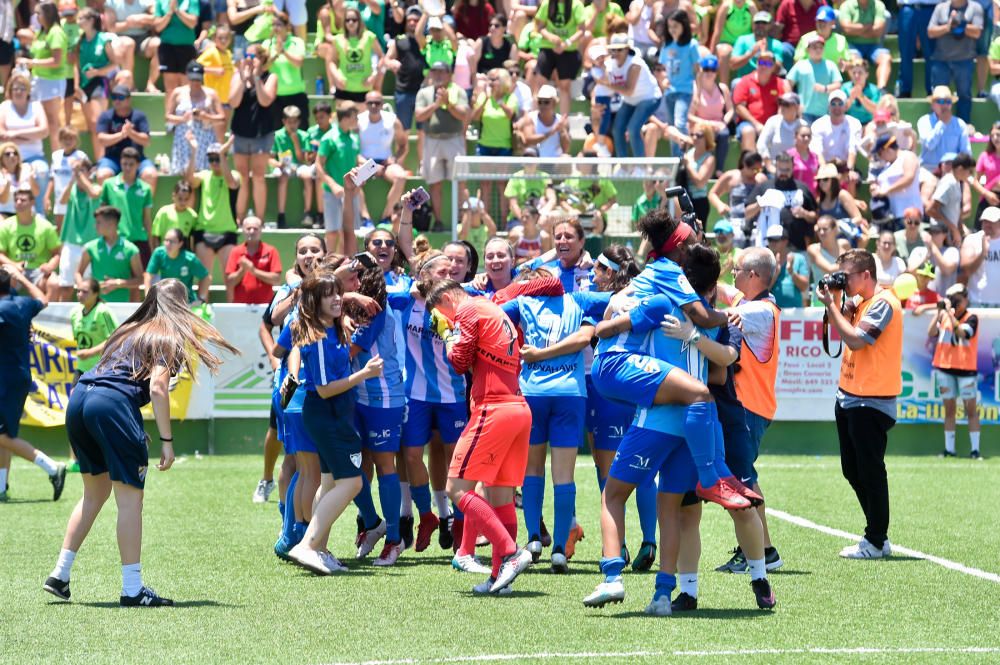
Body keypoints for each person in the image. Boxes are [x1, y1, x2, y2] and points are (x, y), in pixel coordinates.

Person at [43, 278, 237, 604]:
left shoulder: (127, 329)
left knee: (94, 494)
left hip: (80, 399)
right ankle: (132, 589)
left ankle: (60, 574)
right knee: (131, 500)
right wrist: (167, 440)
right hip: (111, 405)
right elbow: (158, 389)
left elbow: (114, 377)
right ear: (181, 306)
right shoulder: (167, 336)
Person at [423, 279, 534, 594]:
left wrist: (447, 332)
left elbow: (458, 362)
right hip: (517, 407)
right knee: (501, 497)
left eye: (439, 313)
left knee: (456, 489)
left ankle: (510, 553)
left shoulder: (468, 309)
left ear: (447, 298)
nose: (441, 320)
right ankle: (500, 579)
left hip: (493, 409)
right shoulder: (492, 308)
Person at [284, 271, 382, 575]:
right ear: (315, 301)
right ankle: (308, 545)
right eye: (330, 294)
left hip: (331, 414)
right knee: (351, 482)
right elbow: (326, 389)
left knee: (328, 482)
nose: (338, 298)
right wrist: (363, 374)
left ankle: (320, 549)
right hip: (327, 414)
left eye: (339, 293)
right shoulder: (322, 337)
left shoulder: (330, 327)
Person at [501, 269, 596, 573]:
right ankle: (558, 549)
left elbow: (492, 310)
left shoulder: (523, 301)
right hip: (570, 393)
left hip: (533, 393)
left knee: (531, 470)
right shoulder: (578, 299)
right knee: (564, 476)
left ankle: (532, 540)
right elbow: (616, 299)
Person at [815, 248, 902, 560]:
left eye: (847, 276)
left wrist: (833, 306)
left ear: (866, 274)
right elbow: (835, 327)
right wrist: (838, 301)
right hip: (849, 395)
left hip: (872, 399)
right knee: (852, 470)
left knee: (870, 471)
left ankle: (876, 539)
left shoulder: (884, 303)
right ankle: (877, 534)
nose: (844, 281)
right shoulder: (860, 301)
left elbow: (855, 340)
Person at [713, 246, 784, 573]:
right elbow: (724, 290)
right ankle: (760, 547)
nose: (733, 275)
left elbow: (716, 314)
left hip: (748, 406)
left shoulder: (758, 311)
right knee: (743, 477)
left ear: (753, 276)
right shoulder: (755, 304)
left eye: (738, 269)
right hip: (750, 405)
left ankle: (759, 550)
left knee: (742, 478)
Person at [0, 265, 65, 503]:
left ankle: (52, 467)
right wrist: (22, 279)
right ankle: (0, 487)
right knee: (6, 433)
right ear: (11, 284)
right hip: (18, 376)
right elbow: (43, 299)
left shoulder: (4, 307)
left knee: (2, 435)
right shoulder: (22, 304)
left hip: (5, 379)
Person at [929, 283, 981, 459]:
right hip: (945, 368)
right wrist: (939, 312)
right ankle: (949, 449)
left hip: (966, 371)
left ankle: (975, 450)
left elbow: (962, 334)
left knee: (971, 410)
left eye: (957, 299)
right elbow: (931, 333)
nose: (955, 302)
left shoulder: (972, 317)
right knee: (949, 410)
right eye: (952, 299)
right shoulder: (943, 316)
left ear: (965, 300)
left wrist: (950, 315)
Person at [415, 62, 469, 228]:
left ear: (449, 74)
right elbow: (419, 116)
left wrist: (448, 103)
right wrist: (436, 105)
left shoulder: (458, 91)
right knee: (434, 182)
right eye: (434, 71)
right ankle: (438, 221)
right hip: (432, 141)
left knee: (460, 181)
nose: (438, 75)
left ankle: (463, 219)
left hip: (454, 139)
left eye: (441, 72)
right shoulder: (424, 93)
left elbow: (464, 114)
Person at [228, 44, 277, 222]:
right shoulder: (237, 76)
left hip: (261, 133)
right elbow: (233, 102)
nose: (250, 59)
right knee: (242, 177)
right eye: (248, 55)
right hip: (241, 131)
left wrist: (256, 79)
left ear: (263, 59)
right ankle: (240, 218)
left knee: (258, 176)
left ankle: (259, 219)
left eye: (254, 56)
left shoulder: (270, 77)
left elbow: (265, 101)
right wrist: (243, 79)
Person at [186, 135, 240, 275]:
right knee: (204, 277)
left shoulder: (234, 174)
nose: (215, 162)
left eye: (218, 158)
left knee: (230, 278)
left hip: (227, 230)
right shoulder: (204, 175)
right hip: (204, 231)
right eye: (211, 159)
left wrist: (222, 155)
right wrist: (194, 151)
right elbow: (190, 180)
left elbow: (232, 184)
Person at [744, 151, 818, 251]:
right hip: (768, 246)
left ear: (793, 168)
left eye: (787, 170)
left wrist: (804, 214)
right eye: (780, 169)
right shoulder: (764, 187)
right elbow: (746, 213)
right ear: (775, 168)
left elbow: (815, 217)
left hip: (796, 247)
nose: (783, 173)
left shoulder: (802, 188)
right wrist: (759, 204)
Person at [18, 2, 67, 148]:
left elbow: (56, 61)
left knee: (52, 122)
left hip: (52, 81)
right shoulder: (42, 32)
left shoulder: (56, 32)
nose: (36, 17)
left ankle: (56, 159)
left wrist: (32, 62)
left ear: (48, 14)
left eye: (39, 13)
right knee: (38, 120)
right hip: (38, 81)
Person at [317, 103, 363, 255]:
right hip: (332, 192)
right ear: (346, 118)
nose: (357, 119)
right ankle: (327, 265)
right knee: (332, 232)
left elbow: (355, 160)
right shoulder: (328, 138)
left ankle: (348, 263)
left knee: (349, 232)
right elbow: (318, 165)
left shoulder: (354, 138)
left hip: (352, 193)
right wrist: (333, 185)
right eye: (355, 117)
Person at [360, 90, 411, 224]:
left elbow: (403, 144)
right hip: (365, 162)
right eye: (370, 103)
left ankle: (386, 217)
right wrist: (370, 165)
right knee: (354, 179)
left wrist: (394, 159)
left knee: (401, 177)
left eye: (377, 103)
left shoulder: (392, 120)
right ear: (365, 104)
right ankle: (365, 218)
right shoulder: (358, 121)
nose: (373, 106)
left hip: (387, 163)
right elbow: (353, 150)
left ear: (382, 104)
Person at [927, 0, 983, 123]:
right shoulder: (940, 8)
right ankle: (936, 127)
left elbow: (977, 32)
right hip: (941, 60)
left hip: (964, 60)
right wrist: (948, 27)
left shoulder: (975, 8)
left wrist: (962, 25)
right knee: (938, 97)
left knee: (964, 96)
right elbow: (930, 32)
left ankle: (963, 128)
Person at [165, 61, 225, 175]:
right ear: (187, 76)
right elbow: (168, 116)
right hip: (183, 138)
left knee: (204, 173)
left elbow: (222, 117)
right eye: (192, 79)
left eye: (198, 79)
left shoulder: (211, 93)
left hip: (205, 137)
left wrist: (206, 116)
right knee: (184, 173)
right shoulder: (178, 92)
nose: (195, 82)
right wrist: (182, 119)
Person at [98, 146, 154, 267]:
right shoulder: (109, 185)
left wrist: (151, 244)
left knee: (139, 282)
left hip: (139, 240)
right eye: (124, 164)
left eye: (131, 164)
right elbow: (102, 214)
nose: (127, 167)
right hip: (116, 240)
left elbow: (147, 219)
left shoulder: (145, 188)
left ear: (138, 165)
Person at [95, 86, 158, 191]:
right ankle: (108, 207)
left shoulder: (139, 116)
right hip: (112, 159)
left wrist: (131, 133)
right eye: (114, 97)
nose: (116, 101)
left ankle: (146, 206)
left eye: (120, 97)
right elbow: (101, 140)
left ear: (129, 99)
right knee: (102, 175)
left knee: (150, 175)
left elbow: (146, 141)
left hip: (137, 159)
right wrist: (122, 134)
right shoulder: (106, 116)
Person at [76, 205, 143, 303]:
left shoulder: (131, 250)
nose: (95, 226)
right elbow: (78, 273)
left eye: (99, 222)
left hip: (121, 307)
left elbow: (140, 279)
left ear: (111, 224)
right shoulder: (90, 247)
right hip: (95, 307)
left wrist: (118, 283)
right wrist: (83, 287)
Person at [533, 0, 587, 119]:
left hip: (568, 50)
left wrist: (566, 43)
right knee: (539, 82)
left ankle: (563, 121)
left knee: (564, 86)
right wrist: (551, 37)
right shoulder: (547, 4)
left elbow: (582, 29)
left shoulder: (576, 5)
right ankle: (535, 118)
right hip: (548, 47)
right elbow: (540, 26)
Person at [0, 188, 61, 294]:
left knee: (54, 283)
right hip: (14, 269)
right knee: (7, 277)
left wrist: (50, 266)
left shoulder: (45, 226)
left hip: (39, 271)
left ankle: (45, 310)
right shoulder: (6, 225)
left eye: (23, 200)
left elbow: (57, 254)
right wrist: (13, 264)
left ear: (32, 202)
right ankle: (7, 309)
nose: (19, 203)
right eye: (16, 200)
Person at [709, 151, 767, 248]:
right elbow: (712, 193)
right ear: (745, 165)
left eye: (759, 170)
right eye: (754, 170)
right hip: (735, 222)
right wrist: (720, 205)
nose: (756, 173)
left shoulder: (761, 179)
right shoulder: (732, 176)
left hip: (756, 223)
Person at [733, 51, 789, 153]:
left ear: (773, 67)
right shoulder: (745, 81)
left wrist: (774, 125)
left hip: (772, 124)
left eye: (768, 64)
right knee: (748, 131)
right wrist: (756, 124)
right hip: (748, 123)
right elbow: (739, 107)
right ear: (757, 64)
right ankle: (751, 167)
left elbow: (783, 107)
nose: (764, 66)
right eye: (761, 63)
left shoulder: (780, 84)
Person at [329, 6, 384, 107]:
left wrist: (374, 75)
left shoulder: (369, 37)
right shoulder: (337, 39)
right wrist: (336, 77)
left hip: (364, 88)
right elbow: (331, 61)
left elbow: (381, 57)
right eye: (347, 20)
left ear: (359, 21)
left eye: (354, 20)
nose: (351, 23)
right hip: (343, 88)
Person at [687, 54, 734, 172]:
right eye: (706, 69)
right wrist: (708, 123)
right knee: (703, 136)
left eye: (712, 70)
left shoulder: (722, 88)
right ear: (701, 70)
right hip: (700, 125)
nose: (709, 73)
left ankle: (718, 170)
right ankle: (700, 169)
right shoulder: (694, 89)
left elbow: (730, 110)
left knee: (724, 134)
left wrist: (723, 122)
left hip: (719, 124)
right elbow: (690, 115)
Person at [383, 6, 427, 131]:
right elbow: (386, 59)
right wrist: (391, 63)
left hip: (423, 91)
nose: (412, 23)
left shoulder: (427, 41)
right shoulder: (399, 40)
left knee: (423, 131)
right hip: (404, 90)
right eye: (409, 20)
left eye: (416, 20)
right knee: (402, 130)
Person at [270, 105, 312, 228]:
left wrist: (296, 142)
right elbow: (270, 158)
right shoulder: (277, 135)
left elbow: (302, 159)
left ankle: (307, 213)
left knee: (308, 175)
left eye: (295, 122)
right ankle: (281, 215)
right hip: (282, 166)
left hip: (299, 165)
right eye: (289, 122)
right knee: (283, 176)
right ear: (284, 121)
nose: (292, 125)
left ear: (299, 122)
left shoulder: (304, 135)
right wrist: (279, 164)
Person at [70, 277, 118, 384]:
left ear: (96, 293)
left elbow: (115, 339)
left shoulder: (103, 311)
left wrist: (90, 352)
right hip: (82, 367)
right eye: (78, 291)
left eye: (85, 292)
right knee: (74, 399)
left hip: (103, 368)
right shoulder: (74, 313)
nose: (80, 294)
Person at [224, 216, 282, 304]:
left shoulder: (271, 251)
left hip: (265, 306)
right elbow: (229, 283)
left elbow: (276, 279)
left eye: (255, 228)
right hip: (240, 305)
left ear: (261, 230)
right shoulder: (236, 251)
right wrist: (242, 270)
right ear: (243, 230)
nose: (252, 231)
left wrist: (253, 271)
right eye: (248, 228)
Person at [143, 227, 209, 304]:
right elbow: (148, 276)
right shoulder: (158, 253)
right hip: (165, 300)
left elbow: (206, 277)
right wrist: (148, 298)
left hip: (187, 302)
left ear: (180, 244)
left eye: (172, 241)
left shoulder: (190, 259)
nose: (168, 244)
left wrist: (201, 298)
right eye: (166, 240)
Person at [787, 34, 842, 124]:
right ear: (808, 50)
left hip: (826, 113)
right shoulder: (800, 65)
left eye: (821, 47)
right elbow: (788, 84)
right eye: (814, 47)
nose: (818, 50)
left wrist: (825, 88)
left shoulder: (831, 65)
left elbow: (838, 85)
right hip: (804, 112)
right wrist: (793, 103)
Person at [838, 0, 892, 91]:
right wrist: (868, 27)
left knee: (886, 58)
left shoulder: (878, 5)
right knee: (854, 61)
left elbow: (878, 30)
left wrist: (856, 31)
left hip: (874, 45)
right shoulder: (846, 5)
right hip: (853, 45)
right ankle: (859, 90)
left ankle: (881, 90)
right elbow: (846, 28)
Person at [916, 87, 971, 170]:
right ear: (933, 105)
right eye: (941, 101)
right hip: (929, 169)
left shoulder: (960, 124)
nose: (945, 105)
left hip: (952, 171)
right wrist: (942, 123)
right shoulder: (924, 121)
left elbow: (966, 153)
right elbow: (930, 145)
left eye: (948, 101)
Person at [871, 135, 924, 222]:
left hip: (909, 215)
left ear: (887, 149)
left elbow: (909, 178)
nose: (880, 157)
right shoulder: (886, 166)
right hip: (891, 215)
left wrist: (886, 190)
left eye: (880, 153)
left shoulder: (908, 156)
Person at [809, 90, 863, 174]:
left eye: (840, 104)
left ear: (845, 106)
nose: (836, 107)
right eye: (833, 104)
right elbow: (817, 150)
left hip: (845, 166)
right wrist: (825, 171)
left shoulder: (854, 123)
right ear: (828, 107)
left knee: (853, 178)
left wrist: (849, 171)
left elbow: (852, 149)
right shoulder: (818, 124)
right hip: (824, 165)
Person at [152, 0, 200, 93]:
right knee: (170, 88)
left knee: (186, 87)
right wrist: (170, 12)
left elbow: (192, 23)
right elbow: (158, 27)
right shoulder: (160, 2)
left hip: (186, 47)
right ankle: (170, 108)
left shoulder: (192, 1)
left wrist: (177, 10)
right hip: (168, 47)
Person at [960, 205, 1000, 306]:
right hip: (977, 302)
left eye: (992, 221)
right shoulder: (972, 240)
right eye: (985, 221)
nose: (987, 224)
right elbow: (966, 270)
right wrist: (982, 254)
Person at [516, 84, 569, 158]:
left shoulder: (560, 121)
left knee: (566, 158)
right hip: (535, 162)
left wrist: (562, 130)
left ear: (554, 103)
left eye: (546, 102)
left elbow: (566, 149)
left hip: (555, 161)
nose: (542, 105)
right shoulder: (530, 118)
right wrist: (552, 131)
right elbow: (527, 141)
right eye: (540, 102)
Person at [756, 92, 807, 170]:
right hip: (774, 168)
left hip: (796, 169)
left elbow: (808, 149)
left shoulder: (803, 125)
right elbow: (761, 144)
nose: (782, 107)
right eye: (781, 103)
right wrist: (768, 165)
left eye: (786, 104)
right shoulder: (773, 121)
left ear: (796, 107)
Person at [766, 224, 808, 307]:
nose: (772, 243)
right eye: (770, 240)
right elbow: (762, 291)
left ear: (785, 241)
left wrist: (792, 272)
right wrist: (776, 273)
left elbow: (804, 287)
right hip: (772, 313)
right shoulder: (764, 260)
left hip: (794, 313)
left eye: (776, 240)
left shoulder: (799, 258)